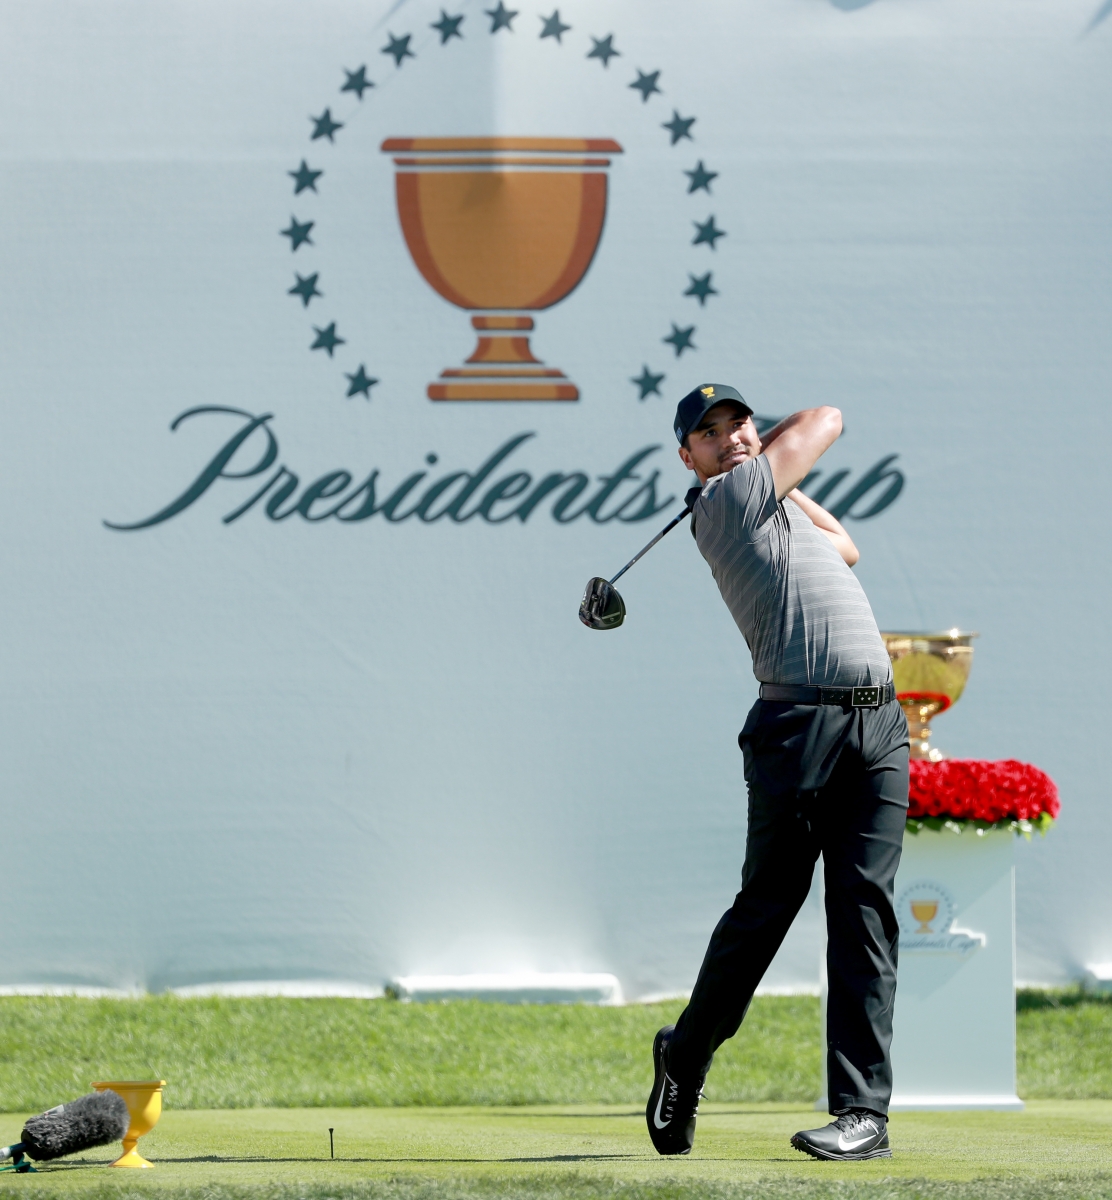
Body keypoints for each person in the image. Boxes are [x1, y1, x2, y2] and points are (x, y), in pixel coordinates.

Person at [646, 383, 909, 1162]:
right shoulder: (726, 501)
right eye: (710, 433)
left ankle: (863, 1114)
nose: (730, 438)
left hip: (878, 723)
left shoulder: (771, 498)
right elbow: (827, 416)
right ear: (688, 458)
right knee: (766, 911)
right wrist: (764, 455)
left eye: (740, 423)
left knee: (866, 913)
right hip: (799, 728)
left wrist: (779, 472)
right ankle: (685, 1054)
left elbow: (846, 546)